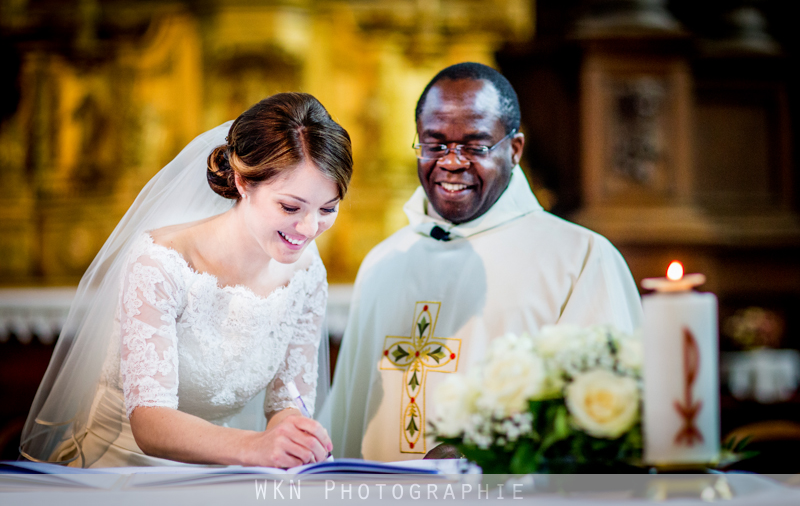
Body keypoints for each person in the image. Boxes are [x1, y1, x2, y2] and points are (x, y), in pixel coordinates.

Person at [321, 62, 644, 461]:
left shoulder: (581, 258)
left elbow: (606, 416)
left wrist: (488, 456)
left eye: (475, 146)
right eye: (434, 144)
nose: (452, 162)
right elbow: (348, 415)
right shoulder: (384, 261)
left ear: (514, 149)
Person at [20, 93, 353, 468]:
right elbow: (150, 424)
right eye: (290, 207)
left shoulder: (307, 273)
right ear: (243, 182)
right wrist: (255, 447)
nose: (309, 228)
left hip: (217, 474)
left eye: (328, 209)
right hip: (118, 467)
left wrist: (294, 435)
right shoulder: (161, 262)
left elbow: (287, 401)